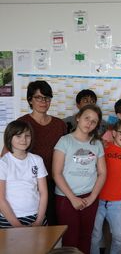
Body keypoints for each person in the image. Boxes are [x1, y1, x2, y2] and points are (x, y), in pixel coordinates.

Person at [53, 104, 107, 254]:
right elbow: (56, 173)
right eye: (86, 118)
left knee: (86, 237)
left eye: (94, 121)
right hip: (66, 198)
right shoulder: (64, 141)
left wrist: (92, 197)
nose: (89, 123)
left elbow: (102, 173)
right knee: (70, 240)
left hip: (89, 198)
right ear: (78, 118)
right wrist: (73, 198)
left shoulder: (97, 144)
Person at [16, 80, 66, 225]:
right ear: (30, 100)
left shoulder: (59, 124)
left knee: (52, 222)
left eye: (47, 98)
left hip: (55, 181)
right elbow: (7, 155)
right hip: (29, 182)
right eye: (39, 97)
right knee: (31, 223)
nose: (43, 101)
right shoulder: (22, 122)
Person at [91, 119, 121, 254]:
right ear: (114, 133)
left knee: (119, 236)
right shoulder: (103, 147)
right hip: (97, 199)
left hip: (117, 202)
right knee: (95, 237)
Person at [0, 120, 48, 228]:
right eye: (18, 136)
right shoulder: (3, 163)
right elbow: (0, 199)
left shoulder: (37, 160)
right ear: (9, 138)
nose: (23, 140)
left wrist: (39, 220)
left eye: (27, 136)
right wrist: (18, 226)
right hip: (10, 219)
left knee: (41, 245)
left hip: (36, 215)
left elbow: (43, 192)